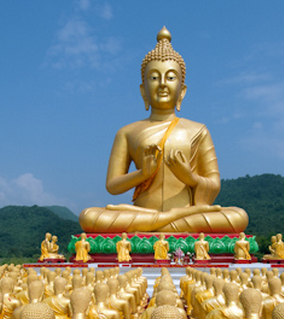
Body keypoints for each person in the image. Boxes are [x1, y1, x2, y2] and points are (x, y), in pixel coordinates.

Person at [78, 28, 248, 234]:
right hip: (147, 213)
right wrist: (142, 174)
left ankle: (155, 225)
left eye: (170, 77)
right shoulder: (127, 132)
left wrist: (190, 178)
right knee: (89, 216)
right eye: (154, 78)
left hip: (178, 214)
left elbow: (213, 184)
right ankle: (169, 222)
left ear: (182, 90)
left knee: (238, 217)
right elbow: (113, 185)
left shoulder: (198, 131)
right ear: (143, 91)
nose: (162, 85)